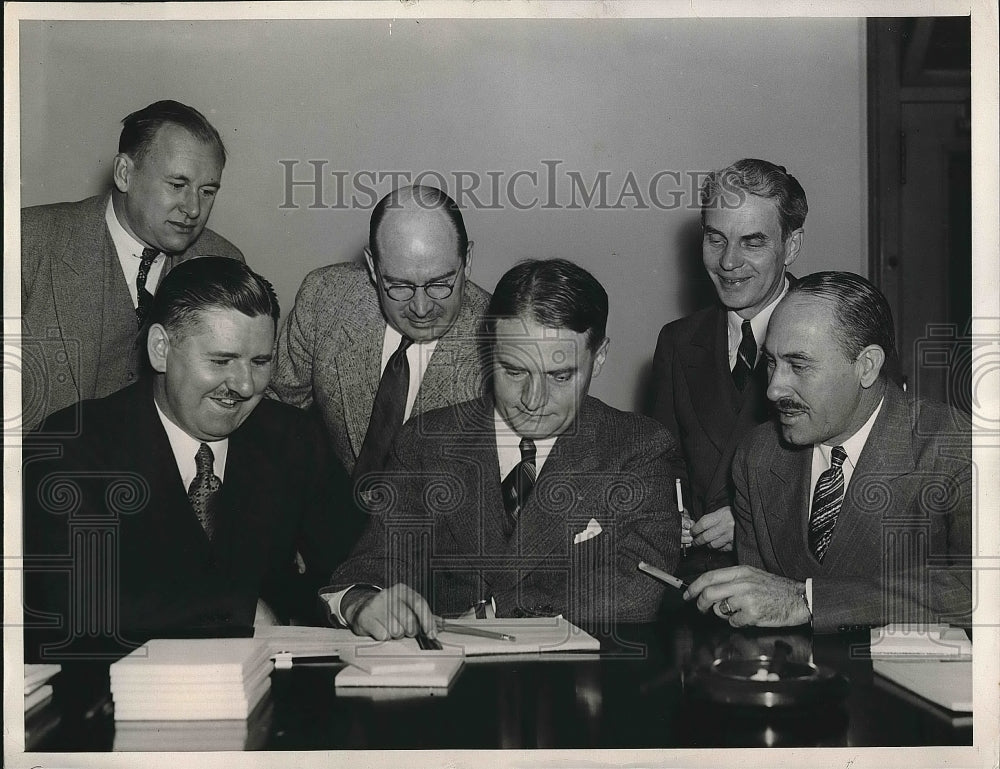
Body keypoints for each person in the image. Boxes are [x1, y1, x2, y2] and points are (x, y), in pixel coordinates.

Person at [324, 259, 684, 640]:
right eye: (514, 371)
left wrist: (493, 612)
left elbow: (639, 587)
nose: (534, 399)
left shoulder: (639, 448)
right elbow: (375, 562)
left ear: (599, 359)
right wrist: (361, 601)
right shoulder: (425, 442)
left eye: (560, 376)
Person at [23, 258, 353, 661]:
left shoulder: (292, 438)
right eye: (221, 361)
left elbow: (347, 559)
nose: (244, 386)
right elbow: (65, 602)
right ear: (161, 349)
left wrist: (357, 598)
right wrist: (232, 611)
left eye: (260, 362)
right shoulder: (73, 444)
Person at [684, 272, 972, 633]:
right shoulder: (757, 455)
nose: (773, 389)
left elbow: (982, 590)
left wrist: (809, 600)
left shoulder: (955, 447)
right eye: (771, 361)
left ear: (866, 366)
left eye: (798, 365)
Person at [21, 100, 244, 431]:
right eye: (177, 185)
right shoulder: (27, 240)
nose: (194, 208)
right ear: (124, 174)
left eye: (207, 190)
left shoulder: (225, 263)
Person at [268, 185, 491, 483]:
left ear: (468, 261)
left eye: (440, 284)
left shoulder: (500, 342)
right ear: (373, 267)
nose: (421, 308)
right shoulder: (324, 298)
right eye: (399, 286)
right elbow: (274, 413)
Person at [651, 159, 807, 575]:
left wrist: (752, 519)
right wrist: (670, 515)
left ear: (791, 246)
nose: (728, 263)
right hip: (699, 579)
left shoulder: (843, 330)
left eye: (752, 242)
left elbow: (863, 476)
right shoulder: (677, 342)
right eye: (716, 239)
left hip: (798, 580)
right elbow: (663, 463)